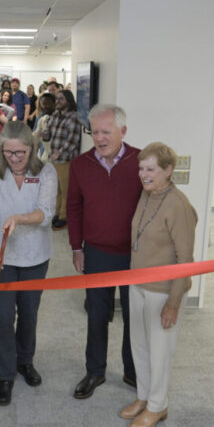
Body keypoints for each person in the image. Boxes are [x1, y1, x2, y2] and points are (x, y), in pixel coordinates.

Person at [120, 142, 197, 427]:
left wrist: (174, 302)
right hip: (136, 283)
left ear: (168, 170)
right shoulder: (147, 194)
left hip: (163, 291)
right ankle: (144, 396)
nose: (143, 174)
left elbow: (186, 259)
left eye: (150, 169)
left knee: (160, 350)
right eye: (141, 168)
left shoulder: (178, 204)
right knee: (139, 345)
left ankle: (158, 406)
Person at [0, 121, 57, 406]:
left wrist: (20, 219)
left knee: (29, 313)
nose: (14, 158)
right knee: (2, 317)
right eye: (9, 152)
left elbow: (47, 213)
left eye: (21, 152)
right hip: (1, 258)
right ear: (2, 149)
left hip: (36, 256)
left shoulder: (46, 173)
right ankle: (6, 373)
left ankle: (25, 361)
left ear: (32, 148)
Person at [68, 104, 142, 399]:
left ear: (122, 131)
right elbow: (73, 208)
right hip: (96, 252)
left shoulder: (141, 161)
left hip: (134, 254)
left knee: (134, 316)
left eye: (105, 132)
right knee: (97, 314)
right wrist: (76, 246)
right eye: (94, 131)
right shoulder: (80, 164)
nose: (99, 138)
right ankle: (95, 371)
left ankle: (133, 371)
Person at [46, 89, 82, 230]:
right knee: (57, 189)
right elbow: (49, 134)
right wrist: (44, 134)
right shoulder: (55, 115)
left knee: (66, 190)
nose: (58, 102)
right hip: (54, 159)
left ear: (68, 100)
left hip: (66, 159)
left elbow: (73, 140)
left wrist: (59, 153)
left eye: (61, 99)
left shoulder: (74, 117)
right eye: (57, 99)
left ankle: (64, 216)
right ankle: (57, 212)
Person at [33, 93, 55, 161]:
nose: (45, 106)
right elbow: (36, 142)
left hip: (58, 160)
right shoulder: (42, 120)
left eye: (48, 103)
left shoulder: (61, 120)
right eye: (43, 104)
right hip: (45, 159)